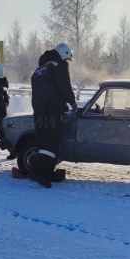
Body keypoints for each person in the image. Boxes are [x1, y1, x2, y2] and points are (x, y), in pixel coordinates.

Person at [28, 42, 78, 188]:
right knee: (50, 142)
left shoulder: (39, 69)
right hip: (52, 110)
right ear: (63, 54)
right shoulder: (59, 65)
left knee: (43, 140)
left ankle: (41, 170)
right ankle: (41, 173)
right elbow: (64, 86)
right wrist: (72, 103)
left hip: (39, 111)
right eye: (67, 59)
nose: (67, 62)